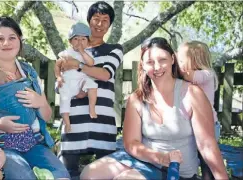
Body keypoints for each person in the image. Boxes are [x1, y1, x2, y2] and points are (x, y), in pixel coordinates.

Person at [80, 37, 228, 180]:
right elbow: (131, 144)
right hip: (144, 159)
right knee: (89, 174)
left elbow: (207, 145)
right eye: (150, 62)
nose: (157, 67)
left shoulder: (191, 93)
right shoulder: (136, 99)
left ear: (172, 59)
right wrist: (160, 157)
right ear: (143, 65)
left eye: (162, 60)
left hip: (176, 170)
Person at [0, 16, 70, 179]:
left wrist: (40, 102)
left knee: (61, 175)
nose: (6, 43)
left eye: (12, 38)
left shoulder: (29, 72)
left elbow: (47, 116)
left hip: (32, 143)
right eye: (0, 39)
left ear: (20, 40)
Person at [57, 1, 123, 178]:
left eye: (105, 20)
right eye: (96, 19)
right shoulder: (69, 51)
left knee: (106, 175)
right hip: (74, 122)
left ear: (110, 24)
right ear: (88, 21)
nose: (100, 24)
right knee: (66, 173)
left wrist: (77, 66)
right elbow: (61, 81)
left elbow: (105, 74)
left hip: (102, 123)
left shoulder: (113, 50)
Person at [177, 40, 220, 180]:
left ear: (195, 59)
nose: (180, 63)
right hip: (194, 125)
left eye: (182, 59)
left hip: (208, 126)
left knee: (207, 160)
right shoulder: (197, 75)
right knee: (196, 158)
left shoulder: (207, 74)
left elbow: (187, 76)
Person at [55, 22, 98, 133]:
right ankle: (67, 123)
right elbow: (57, 65)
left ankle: (92, 108)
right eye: (76, 39)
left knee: (92, 85)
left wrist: (82, 52)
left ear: (88, 42)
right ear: (70, 41)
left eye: (83, 39)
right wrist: (58, 77)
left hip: (80, 81)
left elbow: (91, 63)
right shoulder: (65, 53)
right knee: (64, 101)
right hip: (67, 82)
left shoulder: (87, 54)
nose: (79, 42)